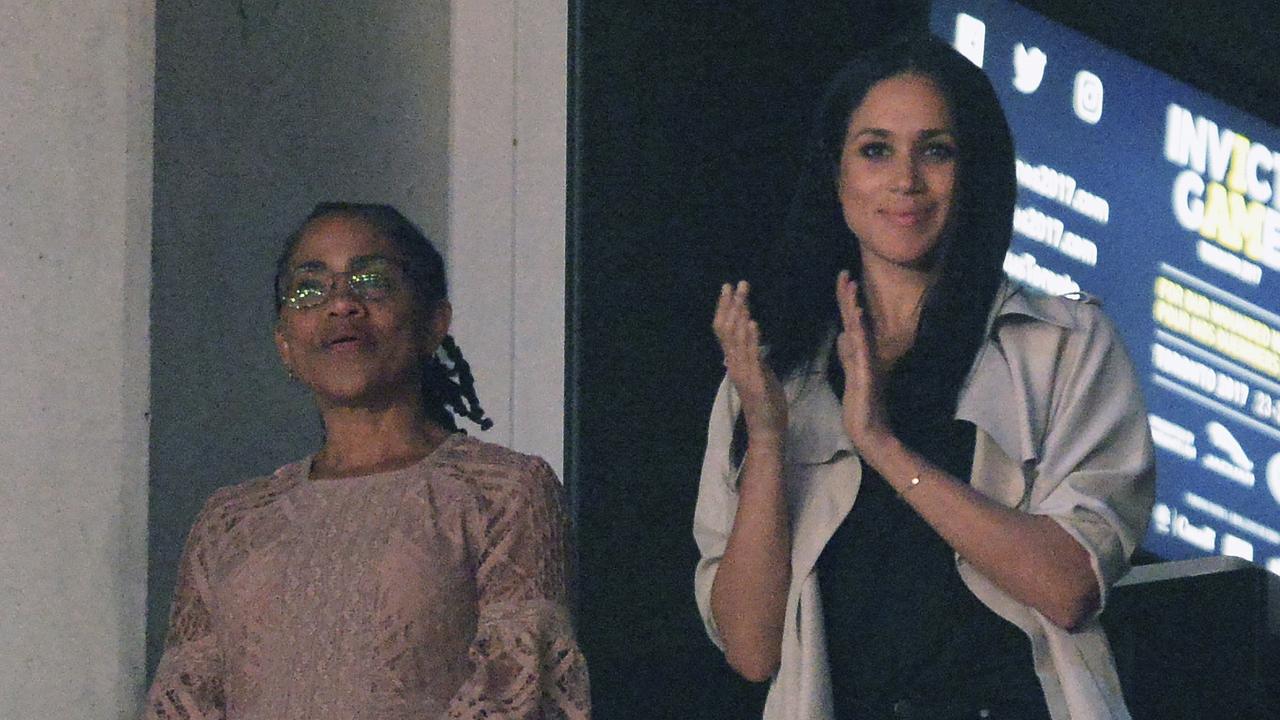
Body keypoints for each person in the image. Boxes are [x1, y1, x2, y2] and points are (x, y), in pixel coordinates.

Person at [693, 35, 1155, 720]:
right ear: (836, 175)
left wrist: (883, 446)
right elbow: (752, 650)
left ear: (973, 170)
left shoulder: (1063, 345)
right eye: (875, 150)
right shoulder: (771, 375)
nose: (905, 179)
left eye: (935, 150)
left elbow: (1068, 588)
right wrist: (765, 437)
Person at [145, 202, 590, 719]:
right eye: (310, 289)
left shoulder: (502, 491)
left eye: (371, 280)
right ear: (284, 344)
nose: (342, 304)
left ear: (433, 323)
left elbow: (513, 698)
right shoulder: (230, 523)